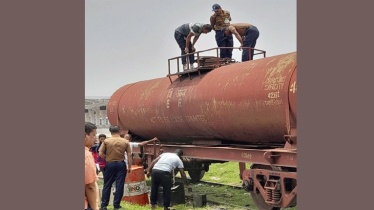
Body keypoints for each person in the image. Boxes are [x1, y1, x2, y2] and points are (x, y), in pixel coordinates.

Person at [98, 125, 132, 210]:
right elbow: (129, 155)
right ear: (119, 131)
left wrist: (107, 157)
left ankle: (104, 205)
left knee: (107, 184)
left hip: (110, 164)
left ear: (110, 132)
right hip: (121, 164)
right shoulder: (125, 141)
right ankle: (116, 205)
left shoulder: (106, 141)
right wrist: (130, 166)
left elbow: (100, 153)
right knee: (119, 185)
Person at [85, 122, 100, 210]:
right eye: (93, 135)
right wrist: (95, 208)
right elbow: (90, 186)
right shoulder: (86, 155)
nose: (95, 138)